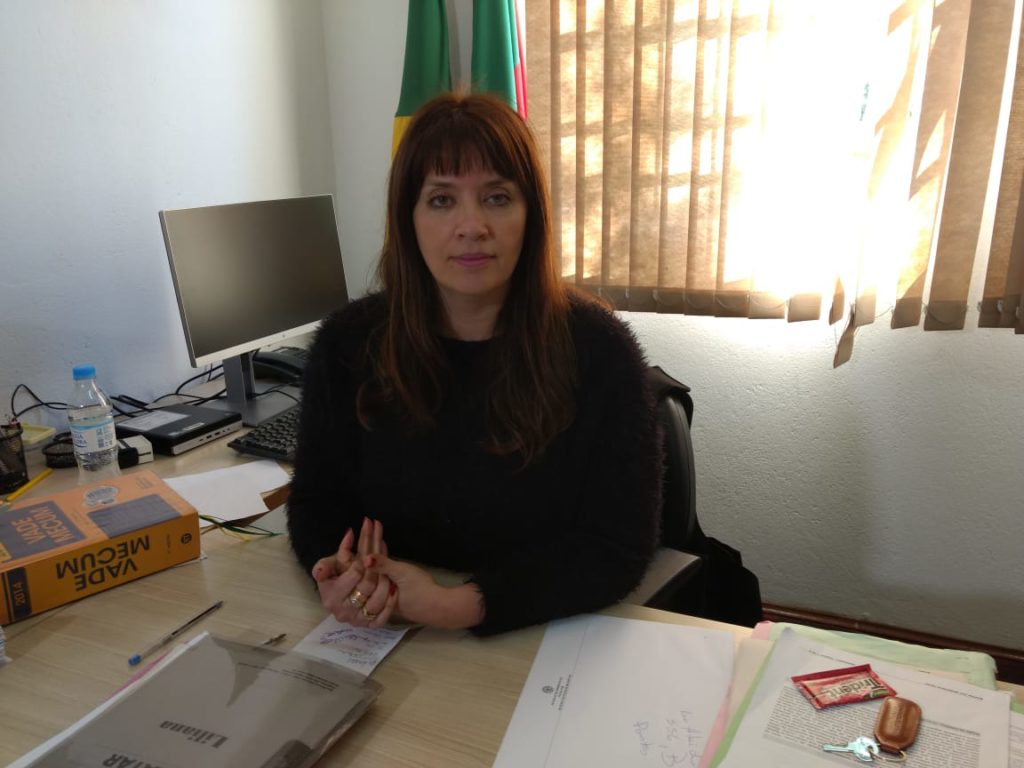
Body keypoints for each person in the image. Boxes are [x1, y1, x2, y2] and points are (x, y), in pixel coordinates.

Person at [286, 92, 662, 636]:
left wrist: (454, 605)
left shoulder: (598, 350)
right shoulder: (347, 344)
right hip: (386, 631)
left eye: (497, 197)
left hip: (538, 631)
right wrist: (338, 573)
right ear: (408, 218)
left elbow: (616, 547)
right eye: (442, 200)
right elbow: (315, 505)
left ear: (530, 216)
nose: (471, 225)